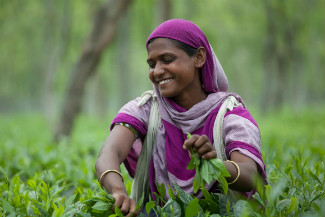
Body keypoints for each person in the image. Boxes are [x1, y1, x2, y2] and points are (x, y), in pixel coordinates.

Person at [95, 19, 267, 216]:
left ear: (199, 57)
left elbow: (251, 175)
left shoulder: (229, 115)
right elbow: (109, 152)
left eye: (167, 60)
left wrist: (216, 165)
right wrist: (118, 191)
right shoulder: (146, 108)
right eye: (152, 64)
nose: (157, 71)